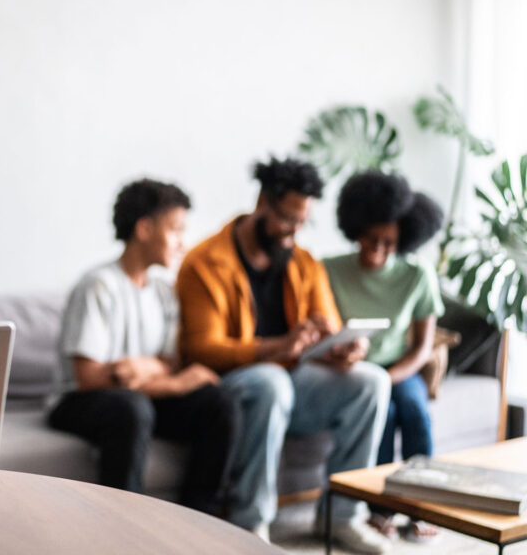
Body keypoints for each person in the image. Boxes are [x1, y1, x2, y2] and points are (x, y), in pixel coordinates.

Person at [176, 158, 391, 553]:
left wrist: (343, 348)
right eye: (285, 218)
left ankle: (341, 516)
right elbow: (201, 348)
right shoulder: (204, 263)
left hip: (295, 379)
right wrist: (277, 347)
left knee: (372, 380)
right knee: (271, 381)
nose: (292, 231)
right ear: (262, 203)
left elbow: (326, 325)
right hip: (233, 382)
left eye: (301, 222)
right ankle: (250, 524)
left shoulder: (303, 262)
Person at [47, 178, 239, 515]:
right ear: (145, 229)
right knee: (131, 408)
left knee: (218, 402)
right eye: (176, 230)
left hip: (140, 393)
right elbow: (89, 378)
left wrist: (142, 368)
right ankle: (124, 528)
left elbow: (167, 360)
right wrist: (173, 382)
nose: (183, 242)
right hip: (78, 400)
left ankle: (198, 520)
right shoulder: (98, 286)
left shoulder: (164, 292)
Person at [324, 171, 445, 543]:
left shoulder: (417, 274)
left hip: (400, 367)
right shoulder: (328, 269)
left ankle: (421, 505)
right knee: (382, 412)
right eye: (370, 238)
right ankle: (379, 510)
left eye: (389, 243)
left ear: (404, 240)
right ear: (355, 228)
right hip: (352, 371)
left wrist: (391, 376)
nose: (377, 249)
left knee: (413, 409)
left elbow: (422, 346)